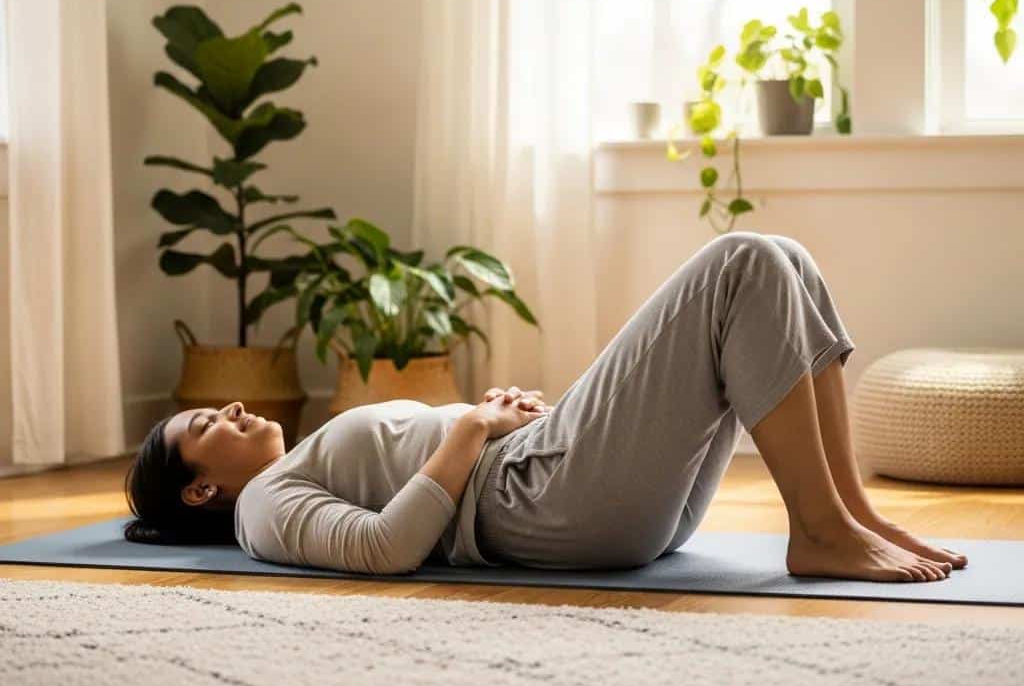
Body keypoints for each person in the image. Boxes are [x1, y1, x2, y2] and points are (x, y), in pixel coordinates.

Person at [124, 231, 968, 583]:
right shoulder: (265, 510)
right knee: (740, 261)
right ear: (202, 490)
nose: (227, 406)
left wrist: (488, 415)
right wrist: (470, 428)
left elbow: (414, 478)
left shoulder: (296, 466)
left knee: (782, 257)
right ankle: (819, 530)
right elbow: (388, 549)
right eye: (204, 426)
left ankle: (850, 515)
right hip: (538, 504)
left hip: (539, 480)